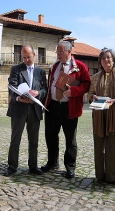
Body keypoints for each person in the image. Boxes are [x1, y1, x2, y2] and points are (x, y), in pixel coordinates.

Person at [42, 41, 91, 178]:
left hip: (69, 107)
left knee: (70, 139)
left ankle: (70, 166)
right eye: (57, 52)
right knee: (50, 136)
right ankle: (52, 162)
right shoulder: (55, 67)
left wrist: (74, 91)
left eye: (60, 52)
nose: (58, 55)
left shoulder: (80, 67)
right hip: (53, 106)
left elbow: (87, 85)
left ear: (69, 52)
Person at [87, 49, 115, 185]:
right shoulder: (95, 77)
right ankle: (100, 174)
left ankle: (113, 175)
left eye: (109, 57)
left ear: (114, 59)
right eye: (103, 58)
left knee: (113, 146)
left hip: (114, 113)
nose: (106, 60)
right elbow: (90, 94)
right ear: (100, 61)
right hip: (98, 113)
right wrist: (92, 97)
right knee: (98, 146)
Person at [4, 45, 47, 176]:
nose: (26, 59)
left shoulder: (41, 72)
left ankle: (33, 166)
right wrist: (18, 98)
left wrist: (38, 93)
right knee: (15, 139)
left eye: (28, 57)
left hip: (34, 109)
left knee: (33, 140)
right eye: (24, 57)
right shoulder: (16, 69)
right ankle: (12, 166)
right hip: (19, 108)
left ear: (34, 55)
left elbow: (45, 90)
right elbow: (12, 87)